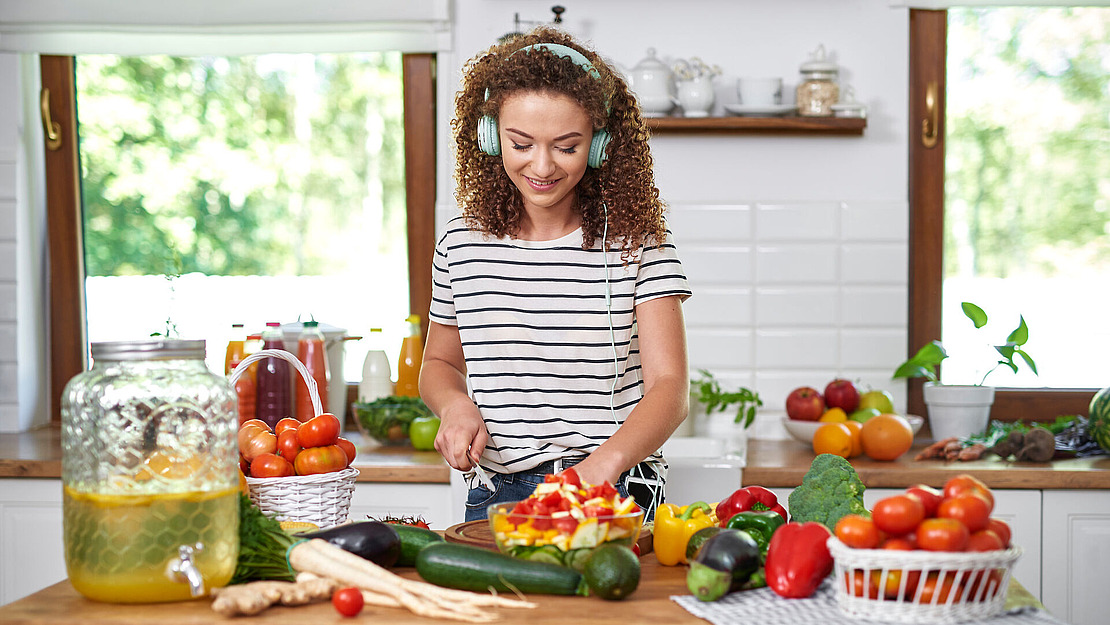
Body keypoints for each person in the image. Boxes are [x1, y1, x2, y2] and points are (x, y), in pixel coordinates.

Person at [419, 26, 691, 522]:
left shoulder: (638, 242)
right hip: (497, 489)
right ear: (488, 137)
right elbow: (437, 363)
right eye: (520, 143)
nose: (541, 166)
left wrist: (599, 467)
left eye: (566, 146)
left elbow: (671, 389)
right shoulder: (459, 243)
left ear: (600, 144)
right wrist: (455, 406)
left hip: (613, 486)